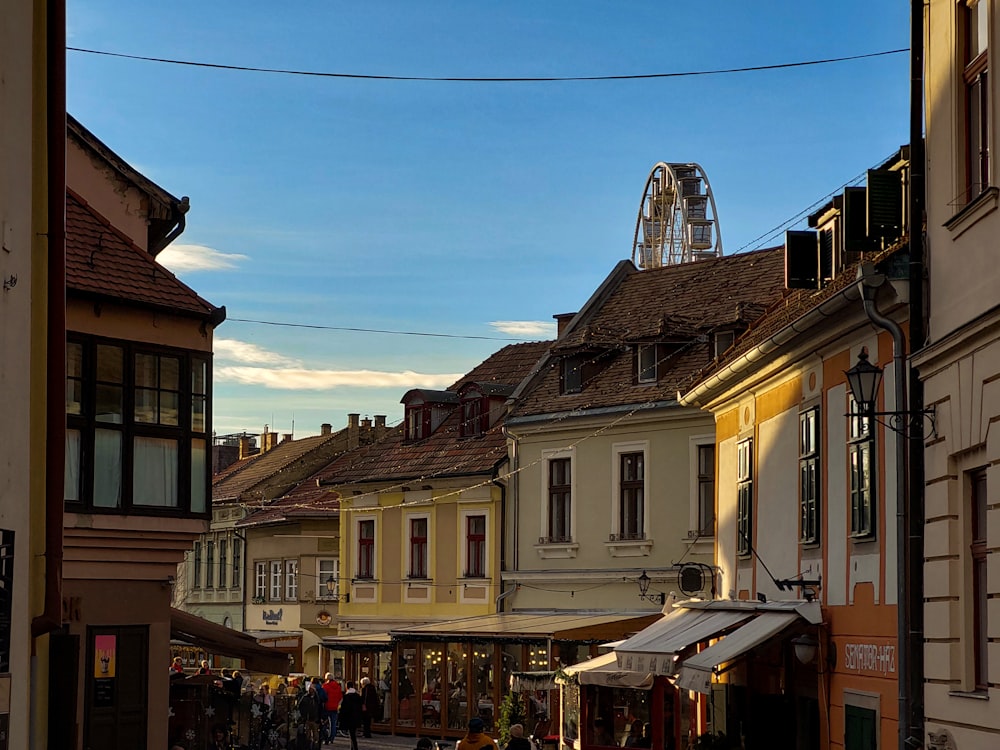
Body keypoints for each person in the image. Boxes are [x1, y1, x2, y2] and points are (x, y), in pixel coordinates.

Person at [339, 680, 364, 750]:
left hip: (349, 717)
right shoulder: (358, 696)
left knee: (352, 734)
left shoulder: (346, 697)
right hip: (357, 717)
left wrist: (341, 717)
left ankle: (354, 747)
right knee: (353, 733)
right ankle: (352, 747)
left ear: (347, 687)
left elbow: (344, 709)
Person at [298, 683, 321, 750]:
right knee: (308, 735)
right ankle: (308, 746)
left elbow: (319, 708)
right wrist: (303, 715)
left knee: (315, 735)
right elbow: (300, 706)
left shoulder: (316, 698)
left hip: (314, 719)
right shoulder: (306, 698)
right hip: (308, 719)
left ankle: (314, 747)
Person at [323, 672, 343, 742]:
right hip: (335, 707)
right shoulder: (338, 686)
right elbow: (340, 696)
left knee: (324, 723)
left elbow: (323, 697)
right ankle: (332, 738)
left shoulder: (325, 686)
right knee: (333, 724)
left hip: (327, 707)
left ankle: (325, 737)